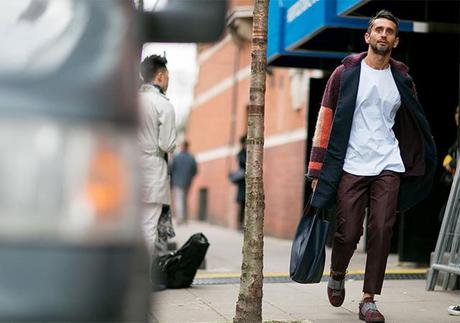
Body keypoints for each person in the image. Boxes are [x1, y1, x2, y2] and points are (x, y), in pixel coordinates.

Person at [307, 10, 436, 323]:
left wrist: (417, 158)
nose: (383, 34)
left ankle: (368, 299)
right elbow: (325, 119)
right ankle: (337, 274)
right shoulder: (346, 73)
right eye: (377, 29)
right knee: (347, 232)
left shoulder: (402, 78)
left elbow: (411, 121)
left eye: (389, 31)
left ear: (395, 40)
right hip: (350, 163)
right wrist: (316, 169)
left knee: (381, 228)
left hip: (387, 164)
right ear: (367, 37)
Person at [138, 54, 177, 259]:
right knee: (147, 226)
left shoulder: (129, 98)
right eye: (168, 77)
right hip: (152, 169)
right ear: (160, 76)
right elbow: (167, 144)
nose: (168, 81)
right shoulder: (162, 104)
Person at [171, 140, 198, 224]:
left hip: (177, 182)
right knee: (185, 199)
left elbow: (171, 169)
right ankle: (185, 218)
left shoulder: (176, 157)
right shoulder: (191, 158)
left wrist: (171, 181)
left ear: (182, 147)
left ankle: (180, 218)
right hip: (187, 182)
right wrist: (189, 178)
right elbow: (195, 171)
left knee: (179, 200)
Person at [235, 134, 247, 230]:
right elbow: (243, 163)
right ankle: (240, 224)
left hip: (246, 182)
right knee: (242, 205)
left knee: (246, 205)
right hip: (242, 182)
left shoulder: (248, 152)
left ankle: (243, 224)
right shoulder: (241, 154)